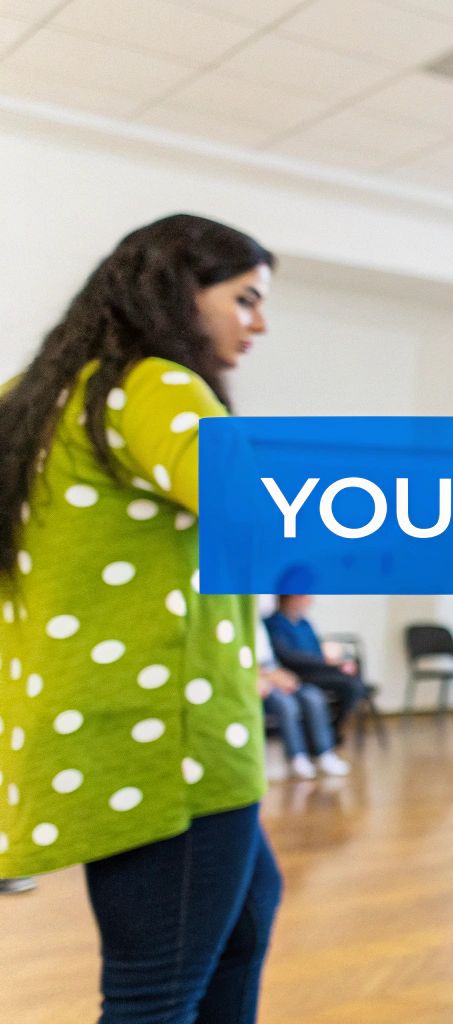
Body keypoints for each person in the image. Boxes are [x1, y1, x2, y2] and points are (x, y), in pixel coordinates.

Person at [0, 214, 281, 1021]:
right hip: (173, 744)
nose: (259, 323)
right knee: (153, 995)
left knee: (242, 923)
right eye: (247, 299)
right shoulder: (153, 386)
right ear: (179, 291)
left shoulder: (35, 400)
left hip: (99, 728)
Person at [256, 611, 348, 780]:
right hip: (259, 680)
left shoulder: (260, 626)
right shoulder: (271, 624)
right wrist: (270, 677)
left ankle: (324, 752)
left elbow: (273, 660)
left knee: (312, 695)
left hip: (276, 672)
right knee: (286, 703)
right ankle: (297, 756)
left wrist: (282, 675)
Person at [264, 593, 370, 740]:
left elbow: (317, 651)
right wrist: (328, 663)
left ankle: (329, 730)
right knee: (351, 684)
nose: (310, 600)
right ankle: (329, 732)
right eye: (306, 595)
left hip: (317, 668)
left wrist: (336, 661)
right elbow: (287, 656)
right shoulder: (274, 624)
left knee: (352, 675)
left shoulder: (304, 624)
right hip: (297, 673)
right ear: (293, 597)